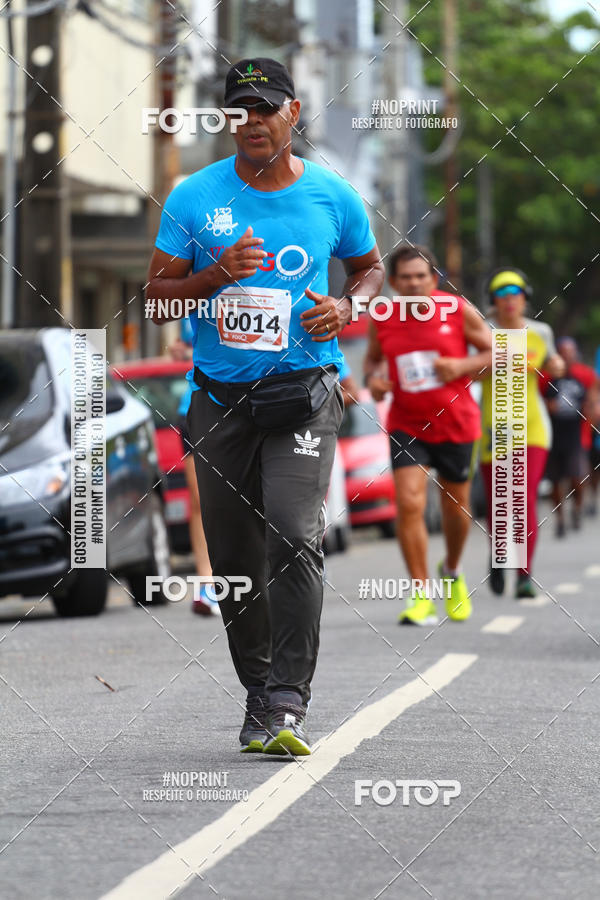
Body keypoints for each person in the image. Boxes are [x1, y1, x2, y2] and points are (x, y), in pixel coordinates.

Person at [147, 57, 384, 755]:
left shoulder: (333, 196)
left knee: (291, 532)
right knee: (233, 556)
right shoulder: (193, 197)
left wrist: (346, 304)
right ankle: (257, 695)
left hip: (306, 393)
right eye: (237, 110)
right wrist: (217, 274)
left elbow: (368, 268)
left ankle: (288, 699)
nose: (251, 121)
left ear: (294, 113)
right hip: (219, 403)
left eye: (265, 107)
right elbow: (158, 294)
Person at [364, 244, 492, 626]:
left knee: (456, 509)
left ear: (433, 278)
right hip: (407, 424)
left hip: (456, 423)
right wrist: (375, 381)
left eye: (421, 276)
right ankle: (421, 594)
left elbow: (497, 352)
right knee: (409, 502)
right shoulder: (383, 316)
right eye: (406, 277)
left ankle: (451, 571)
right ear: (396, 283)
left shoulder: (456, 310)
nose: (415, 283)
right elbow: (373, 360)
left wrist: (462, 364)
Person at [479, 268, 563, 599]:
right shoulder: (483, 332)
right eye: (502, 294)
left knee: (523, 500)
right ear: (493, 301)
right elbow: (469, 373)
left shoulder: (541, 331)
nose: (509, 300)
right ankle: (500, 557)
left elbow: (552, 367)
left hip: (533, 428)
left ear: (525, 297)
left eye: (515, 293)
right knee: (499, 503)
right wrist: (490, 360)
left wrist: (556, 367)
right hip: (494, 430)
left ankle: (525, 575)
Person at [169, 319, 218, 616]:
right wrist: (179, 350)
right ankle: (207, 585)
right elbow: (184, 346)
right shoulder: (195, 299)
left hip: (246, 403)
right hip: (195, 406)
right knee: (200, 500)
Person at [543, 337, 599, 537]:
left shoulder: (585, 375)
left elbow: (593, 401)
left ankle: (577, 508)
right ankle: (559, 519)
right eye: (563, 352)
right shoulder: (546, 377)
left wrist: (591, 418)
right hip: (552, 435)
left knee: (577, 477)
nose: (567, 356)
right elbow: (538, 398)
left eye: (570, 352)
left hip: (577, 434)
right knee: (555, 481)